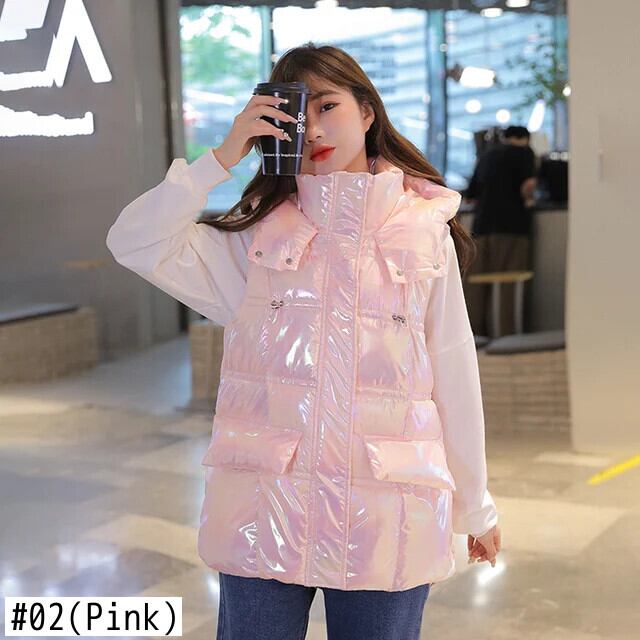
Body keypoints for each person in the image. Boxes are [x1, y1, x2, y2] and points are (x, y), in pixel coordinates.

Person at [106, 43, 501, 640]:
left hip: (385, 514)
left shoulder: (422, 232)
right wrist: (221, 158)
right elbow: (133, 241)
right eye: (295, 113)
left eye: (327, 106)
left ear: (366, 111)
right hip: (264, 512)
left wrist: (475, 504)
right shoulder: (256, 239)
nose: (312, 128)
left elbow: (453, 369)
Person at [462, 125, 538, 337]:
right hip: (511, 225)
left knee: (476, 283)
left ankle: (474, 334)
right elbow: (528, 185)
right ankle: (507, 334)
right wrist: (530, 200)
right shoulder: (524, 153)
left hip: (480, 227)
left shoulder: (487, 155)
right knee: (508, 281)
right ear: (525, 139)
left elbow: (471, 194)